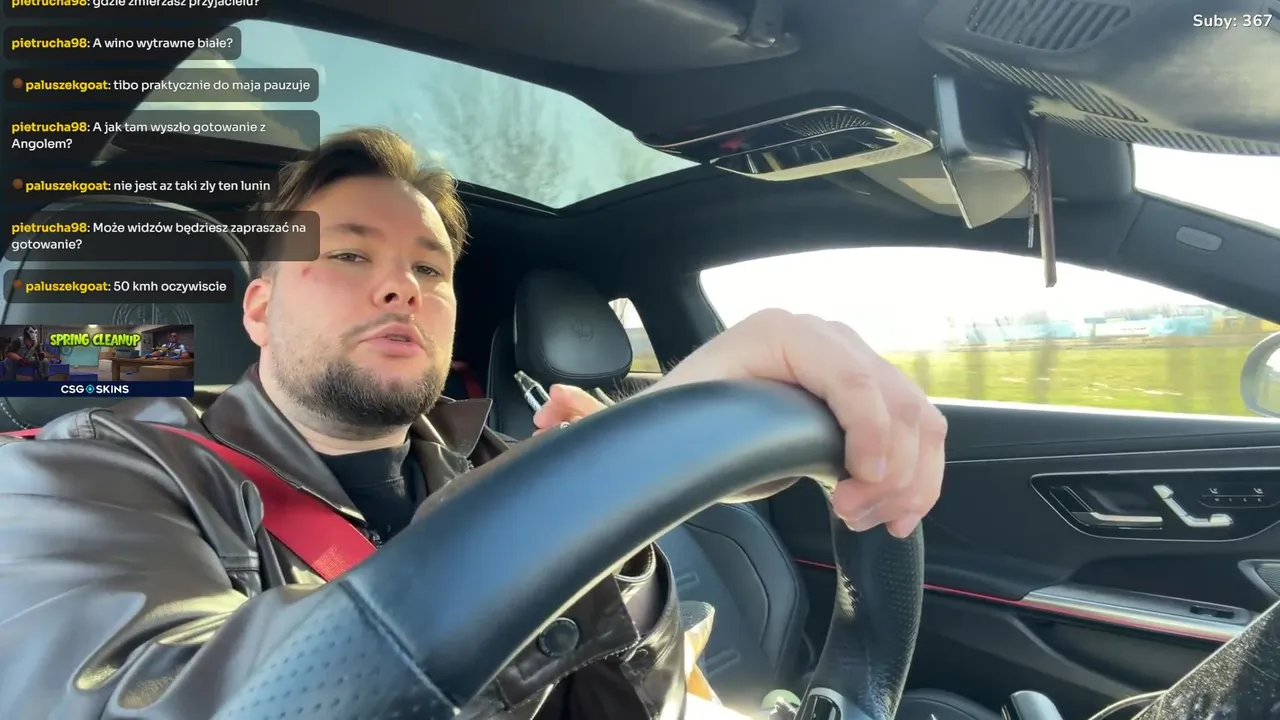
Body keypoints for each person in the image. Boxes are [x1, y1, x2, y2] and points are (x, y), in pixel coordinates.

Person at [0, 128, 947, 719]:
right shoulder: (83, 476)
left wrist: (610, 539)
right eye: (349, 255)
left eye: (430, 268)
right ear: (257, 309)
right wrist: (588, 488)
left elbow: (631, 709)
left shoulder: (504, 461)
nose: (401, 287)